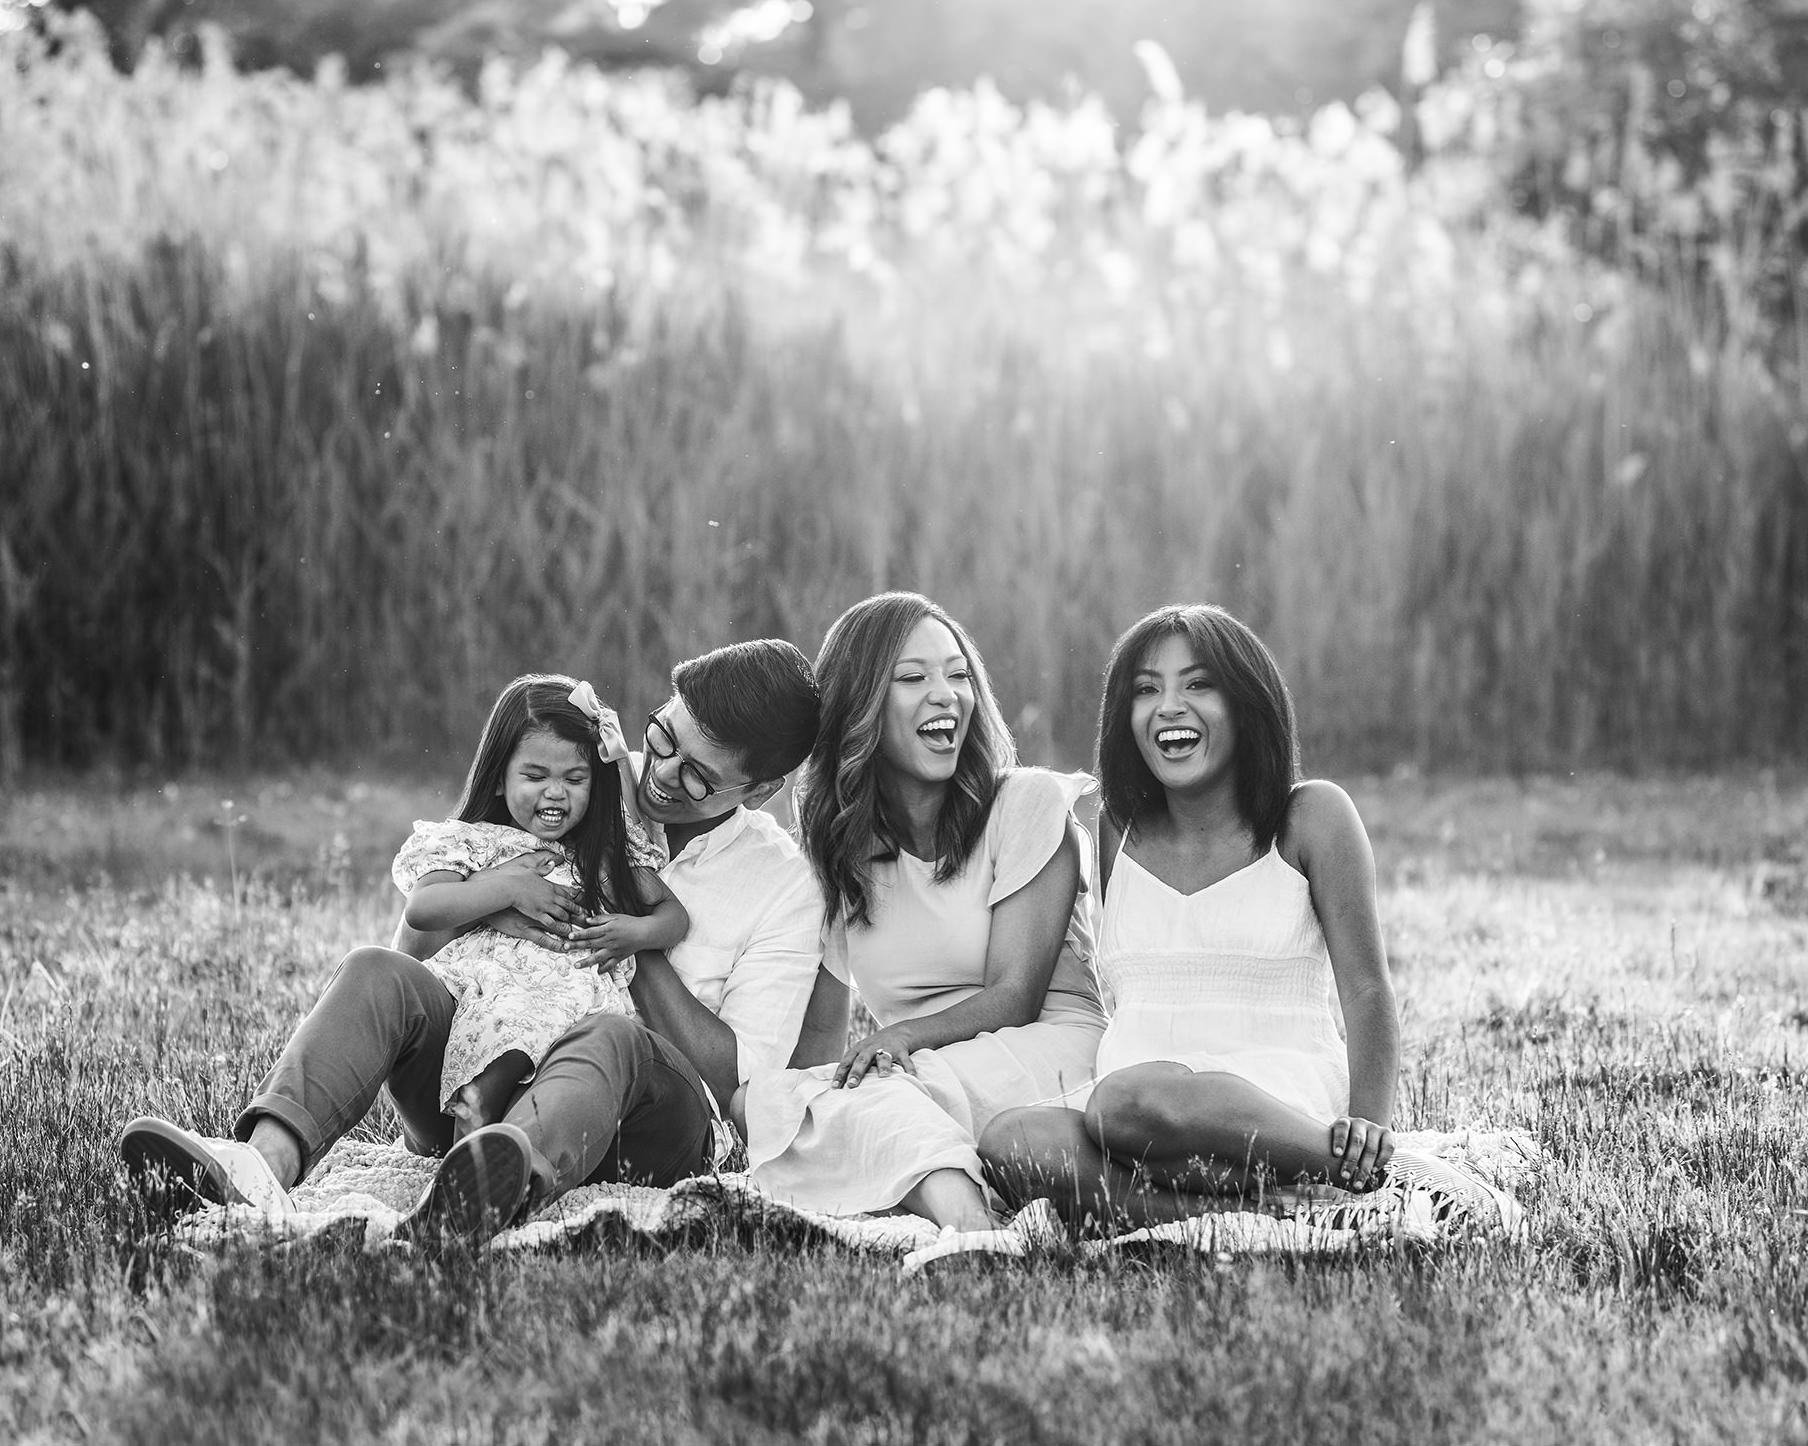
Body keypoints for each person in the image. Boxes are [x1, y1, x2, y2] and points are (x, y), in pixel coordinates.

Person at [120, 639, 829, 1245]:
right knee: (376, 970)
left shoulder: (784, 885)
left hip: (641, 1122)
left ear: (760, 789)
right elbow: (418, 942)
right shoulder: (580, 775)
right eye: (664, 737)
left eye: (699, 775)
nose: (663, 778)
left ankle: (495, 1183)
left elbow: (737, 1079)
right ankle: (261, 1166)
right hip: (482, 1062)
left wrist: (623, 940)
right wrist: (497, 902)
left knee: (608, 1034)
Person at [979, 603, 1514, 1233]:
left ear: (1246, 704)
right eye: (1147, 690)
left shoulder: (1313, 818)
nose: (1169, 706)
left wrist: (1366, 1130)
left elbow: (1367, 990)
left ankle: (1354, 1177)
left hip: (1274, 1113)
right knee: (1011, 1139)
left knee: (1126, 1098)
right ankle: (1241, 1215)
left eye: (1198, 684)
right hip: (1132, 1133)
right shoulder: (1117, 829)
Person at [742, 592, 1105, 1238]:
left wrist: (899, 1040)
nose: (947, 695)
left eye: (958, 674)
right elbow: (821, 1038)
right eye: (913, 678)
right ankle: (963, 1205)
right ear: (860, 708)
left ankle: (957, 1213)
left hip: (1054, 1052)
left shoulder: (1025, 804)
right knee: (766, 1102)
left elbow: (1015, 995)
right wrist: (791, 1095)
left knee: (873, 1101)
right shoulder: (840, 851)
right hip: (921, 1075)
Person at [391, 675, 688, 1138]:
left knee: (558, 1073)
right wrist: (508, 889)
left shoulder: (603, 858)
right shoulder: (476, 844)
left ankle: (500, 1157)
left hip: (573, 1013)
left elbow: (673, 915)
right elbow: (423, 909)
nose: (555, 792)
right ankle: (467, 1164)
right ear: (498, 779)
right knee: (497, 1052)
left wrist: (634, 932)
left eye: (574, 779)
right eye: (534, 776)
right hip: (489, 1000)